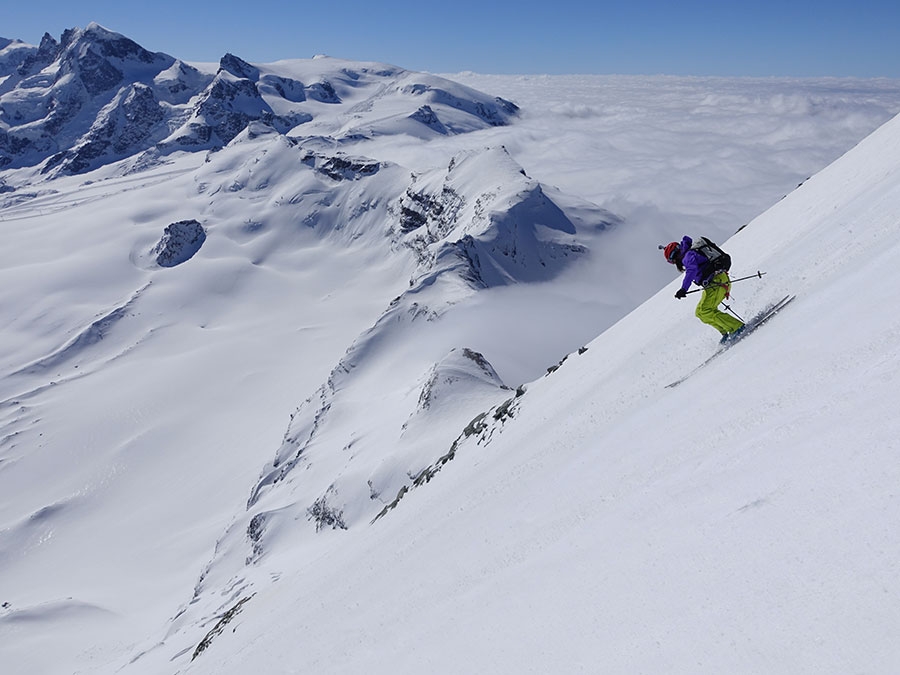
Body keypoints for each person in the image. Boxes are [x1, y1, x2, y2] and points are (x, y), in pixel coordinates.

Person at [663, 236, 745, 343]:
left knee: (706, 310)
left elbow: (691, 271)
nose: (674, 263)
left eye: (672, 260)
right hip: (714, 283)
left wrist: (683, 289)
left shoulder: (688, 256)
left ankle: (736, 327)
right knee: (700, 312)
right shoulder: (689, 254)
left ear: (675, 255)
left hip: (718, 282)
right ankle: (725, 331)